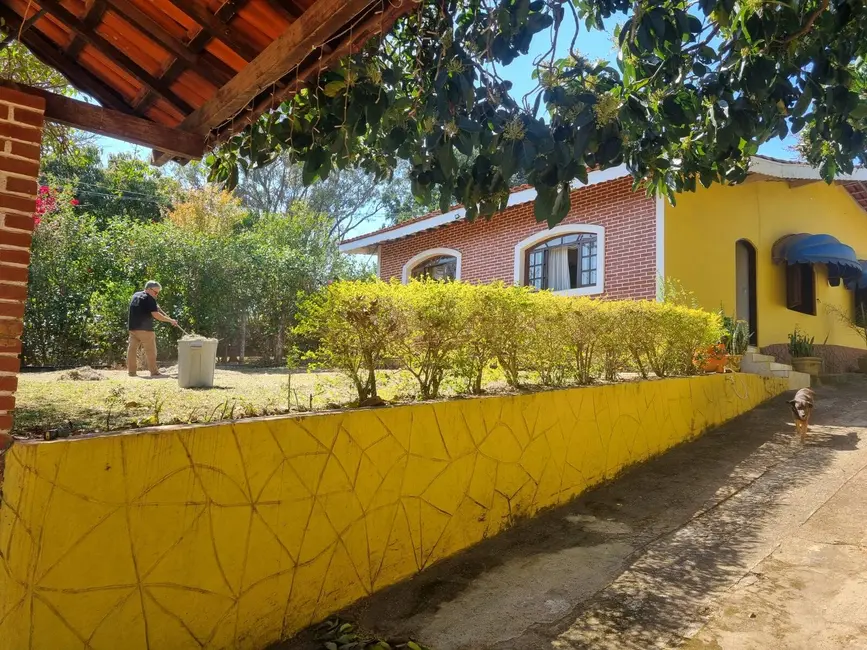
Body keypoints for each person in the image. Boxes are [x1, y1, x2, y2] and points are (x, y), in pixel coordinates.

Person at [127, 281, 177, 378]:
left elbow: (143, 307)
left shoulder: (136, 295)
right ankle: (154, 372)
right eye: (156, 292)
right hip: (145, 330)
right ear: (149, 289)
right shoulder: (149, 299)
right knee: (151, 351)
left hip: (133, 328)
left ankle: (131, 372)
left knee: (132, 349)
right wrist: (170, 320)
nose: (157, 295)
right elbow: (156, 315)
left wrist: (154, 306)